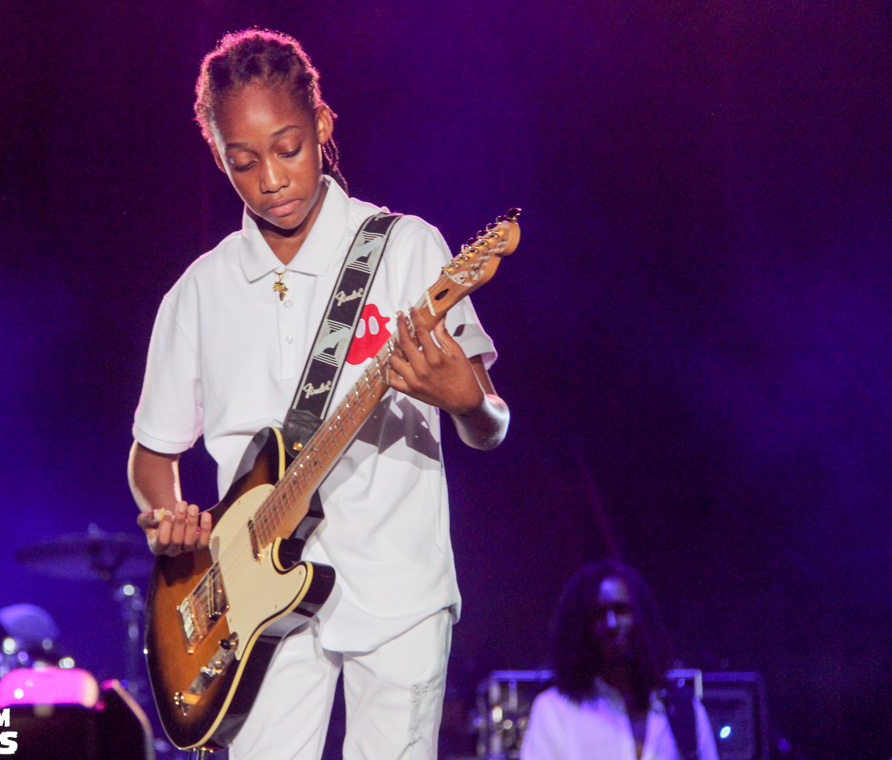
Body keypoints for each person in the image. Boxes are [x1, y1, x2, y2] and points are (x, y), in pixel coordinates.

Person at [126, 29, 509, 760]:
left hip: (398, 588)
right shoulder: (198, 293)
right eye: (243, 161)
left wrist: (465, 399)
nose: (271, 178)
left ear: (323, 126)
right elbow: (152, 455)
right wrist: (165, 512)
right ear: (217, 156)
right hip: (251, 603)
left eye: (289, 148)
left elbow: (491, 422)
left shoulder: (405, 250)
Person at [520, 560, 719, 760]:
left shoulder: (684, 710)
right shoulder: (554, 711)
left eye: (621, 610)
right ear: (581, 627)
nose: (611, 624)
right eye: (598, 614)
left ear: (642, 618)